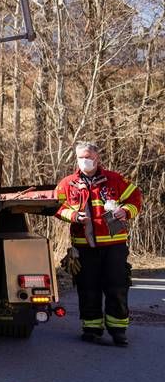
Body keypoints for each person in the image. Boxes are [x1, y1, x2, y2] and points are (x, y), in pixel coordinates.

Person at [55, 142, 142, 346]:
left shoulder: (114, 179)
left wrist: (126, 211)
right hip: (84, 247)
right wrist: (75, 216)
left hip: (114, 246)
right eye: (80, 157)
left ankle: (118, 330)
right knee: (88, 288)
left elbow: (136, 198)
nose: (84, 160)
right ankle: (92, 328)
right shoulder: (68, 183)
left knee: (117, 286)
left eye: (88, 156)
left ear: (97, 158)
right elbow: (57, 207)